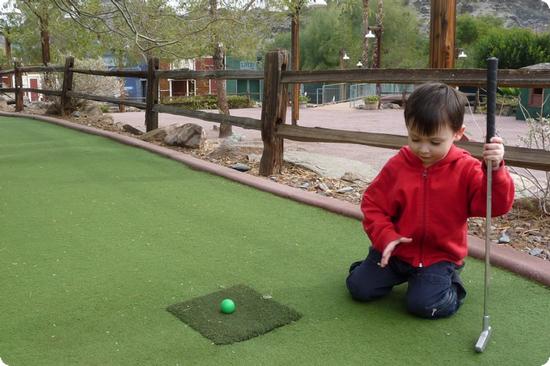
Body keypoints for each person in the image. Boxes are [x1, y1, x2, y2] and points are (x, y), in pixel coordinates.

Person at [346, 82, 515, 318]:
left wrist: (495, 170)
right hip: (396, 251)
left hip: (439, 256)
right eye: (415, 139)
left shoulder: (467, 168)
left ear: (458, 133)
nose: (423, 149)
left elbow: (495, 206)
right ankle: (370, 268)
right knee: (359, 288)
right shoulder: (398, 165)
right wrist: (386, 237)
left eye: (435, 142)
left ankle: (451, 284)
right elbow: (373, 204)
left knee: (423, 305)